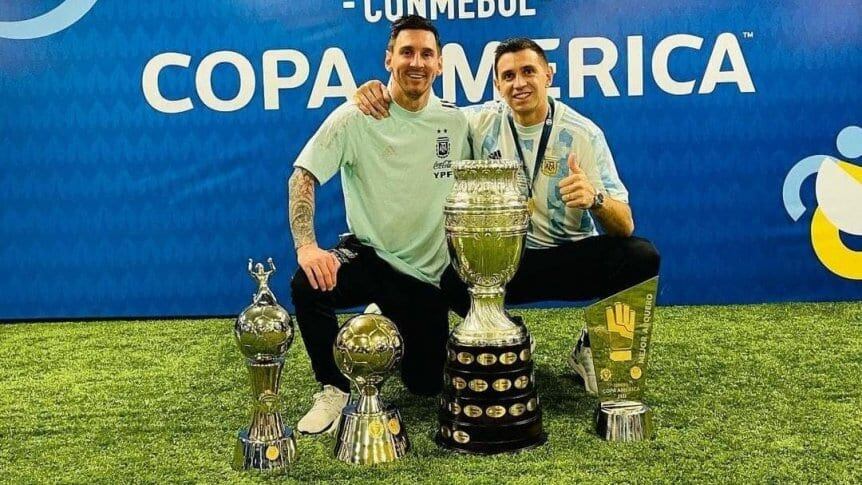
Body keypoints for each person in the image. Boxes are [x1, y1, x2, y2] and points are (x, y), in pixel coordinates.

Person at [354, 38, 660, 395]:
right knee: (449, 279)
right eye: (508, 76)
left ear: (549, 75)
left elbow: (625, 224)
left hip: (568, 257)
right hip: (504, 262)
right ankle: (504, 331)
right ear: (497, 85)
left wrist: (596, 199)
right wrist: (377, 94)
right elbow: (422, 114)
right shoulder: (478, 122)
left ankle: (591, 347)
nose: (519, 83)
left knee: (641, 256)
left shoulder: (583, 134)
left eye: (528, 71)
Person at [287, 15, 471, 434]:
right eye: (406, 52)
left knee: (424, 384)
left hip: (426, 280)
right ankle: (333, 388)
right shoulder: (355, 117)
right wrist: (307, 246)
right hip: (372, 257)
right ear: (389, 59)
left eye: (426, 54)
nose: (416, 62)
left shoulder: (457, 122)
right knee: (308, 283)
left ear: (440, 64)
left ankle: (384, 317)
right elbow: (302, 176)